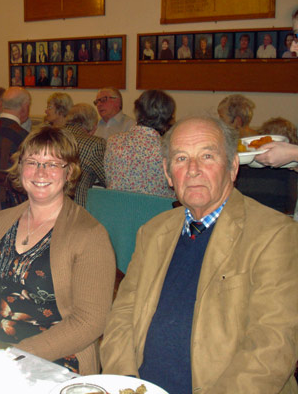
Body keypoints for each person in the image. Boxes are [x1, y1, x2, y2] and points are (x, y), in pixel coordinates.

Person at [100, 116, 298, 394]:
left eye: (207, 156)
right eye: (181, 159)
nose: (193, 170)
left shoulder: (275, 234)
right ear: (168, 175)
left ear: (232, 167)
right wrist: (126, 384)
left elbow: (272, 347)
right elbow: (122, 316)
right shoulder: (153, 232)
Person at [0, 126, 115, 375]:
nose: (41, 172)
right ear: (20, 168)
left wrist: (16, 355)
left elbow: (89, 321)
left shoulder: (90, 235)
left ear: (69, 171)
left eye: (53, 164)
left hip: (53, 359)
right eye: (32, 162)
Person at [104, 90, 175, 198]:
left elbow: (108, 180)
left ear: (137, 111)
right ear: (167, 117)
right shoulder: (168, 149)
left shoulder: (113, 142)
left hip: (116, 210)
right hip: (158, 212)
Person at [63, 103, 107, 207]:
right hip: (76, 208)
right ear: (93, 127)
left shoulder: (50, 135)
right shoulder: (95, 144)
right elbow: (107, 179)